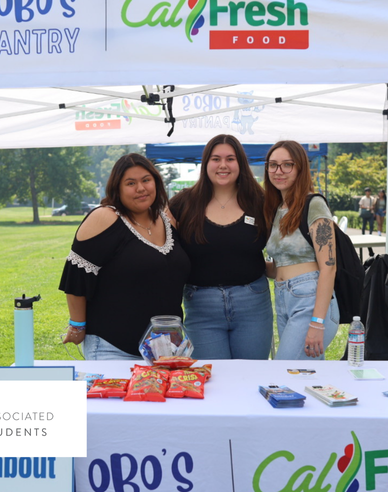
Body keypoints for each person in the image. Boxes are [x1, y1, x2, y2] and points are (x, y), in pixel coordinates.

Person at [59, 153, 190, 360]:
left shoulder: (167, 221)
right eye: (131, 183)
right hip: (112, 348)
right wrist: (77, 325)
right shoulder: (105, 217)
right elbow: (77, 276)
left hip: (165, 351)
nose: (141, 188)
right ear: (117, 188)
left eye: (146, 180)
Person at [169, 134, 272, 359]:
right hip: (201, 307)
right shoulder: (182, 204)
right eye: (215, 159)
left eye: (230, 159)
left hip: (253, 304)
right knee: (212, 379)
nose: (223, 165)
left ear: (240, 164)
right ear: (205, 164)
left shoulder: (261, 201)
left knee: (250, 377)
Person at [264, 140, 339, 360]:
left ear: (300, 169)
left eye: (287, 164)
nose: (279, 171)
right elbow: (279, 267)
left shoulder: (314, 204)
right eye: (273, 165)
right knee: (303, 377)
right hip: (284, 298)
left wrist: (317, 322)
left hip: (309, 300)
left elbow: (329, 268)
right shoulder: (279, 209)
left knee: (284, 371)